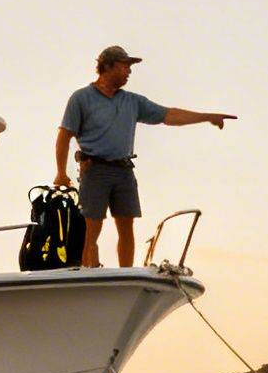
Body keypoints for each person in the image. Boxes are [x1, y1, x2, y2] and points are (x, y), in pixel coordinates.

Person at [53, 45, 234, 268]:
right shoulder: (81, 98)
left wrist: (207, 117)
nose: (129, 72)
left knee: (126, 225)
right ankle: (88, 271)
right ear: (108, 66)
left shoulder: (132, 101)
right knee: (92, 228)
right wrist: (61, 173)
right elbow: (64, 135)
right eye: (125, 66)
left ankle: (125, 273)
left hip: (124, 169)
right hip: (95, 168)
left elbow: (169, 115)